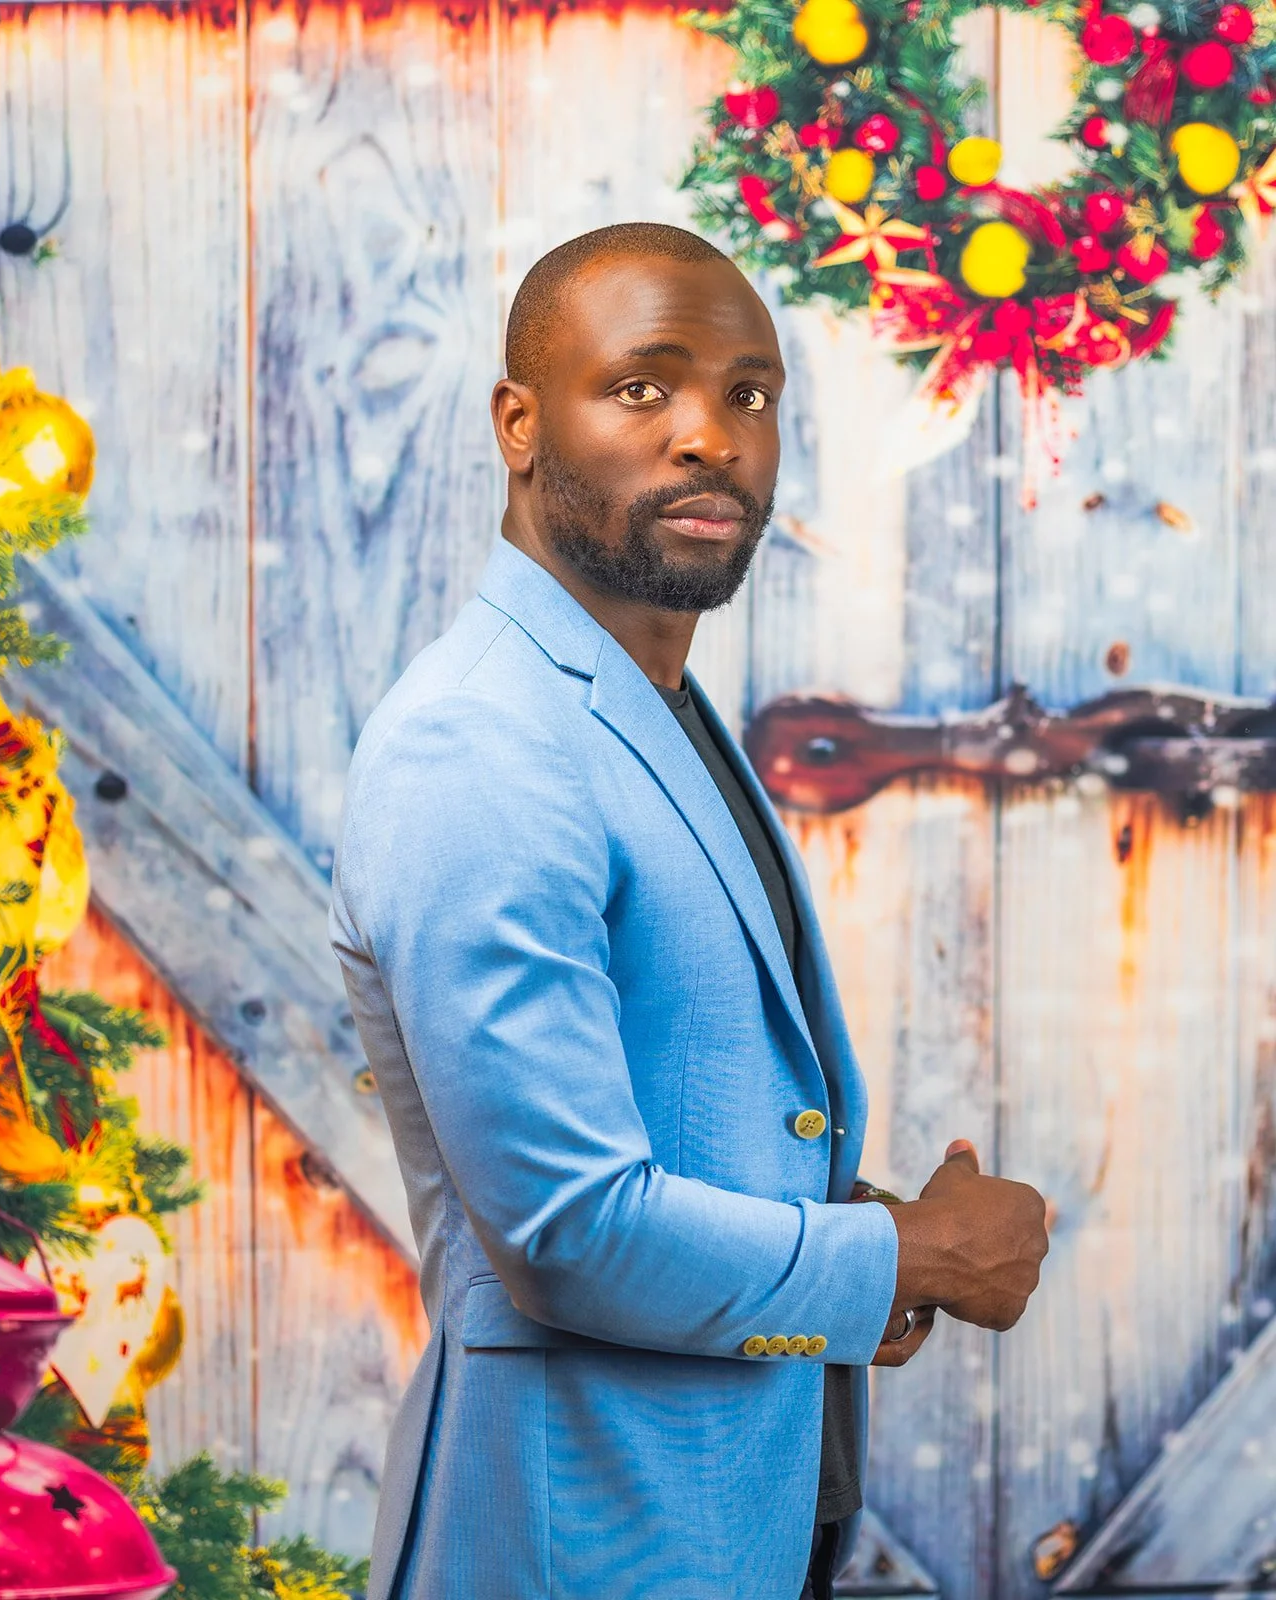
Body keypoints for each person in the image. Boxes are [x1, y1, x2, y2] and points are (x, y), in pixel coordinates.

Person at [329, 221, 1049, 1600]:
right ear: (520, 423)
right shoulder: (482, 741)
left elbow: (674, 1113)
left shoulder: (641, 709)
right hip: (575, 1549)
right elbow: (570, 1232)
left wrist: (860, 1246)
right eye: (643, 386)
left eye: (749, 393)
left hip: (726, 1529)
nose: (711, 435)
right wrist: (914, 1252)